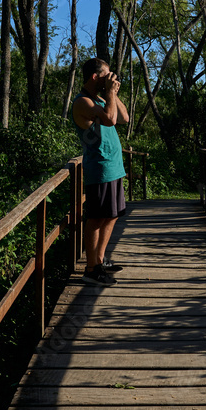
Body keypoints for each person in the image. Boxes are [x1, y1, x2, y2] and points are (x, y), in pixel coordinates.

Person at [71, 57, 130, 285]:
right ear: (95, 77)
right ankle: (91, 269)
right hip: (100, 167)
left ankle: (100, 258)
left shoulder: (100, 97)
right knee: (96, 218)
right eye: (106, 75)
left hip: (113, 167)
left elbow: (124, 117)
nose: (110, 78)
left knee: (112, 215)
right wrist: (110, 95)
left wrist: (111, 93)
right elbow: (110, 120)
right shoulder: (83, 102)